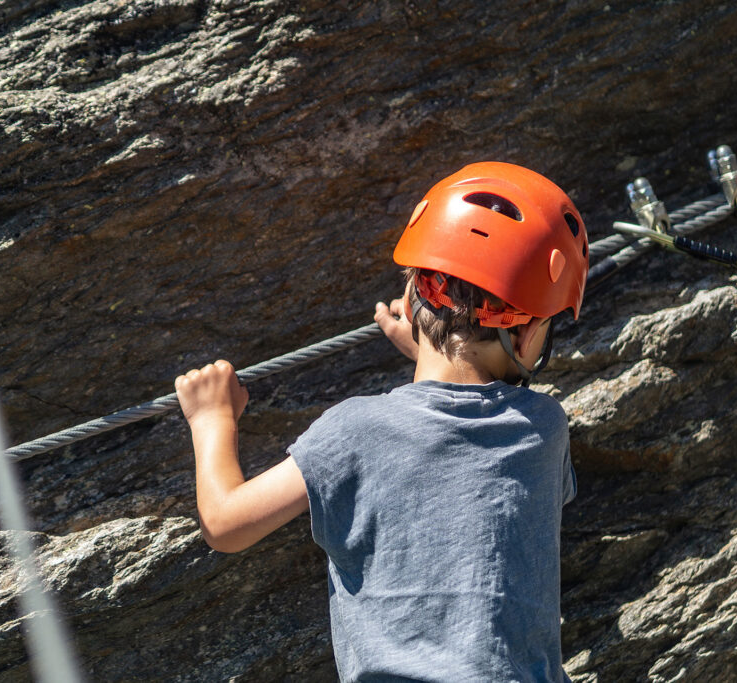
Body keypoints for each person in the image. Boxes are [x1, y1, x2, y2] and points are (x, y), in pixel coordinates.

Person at [174, 162, 589, 681]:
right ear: (528, 339)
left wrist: (212, 418)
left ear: (413, 298)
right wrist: (430, 348)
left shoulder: (355, 431)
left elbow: (227, 524)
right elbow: (468, 425)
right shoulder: (544, 429)